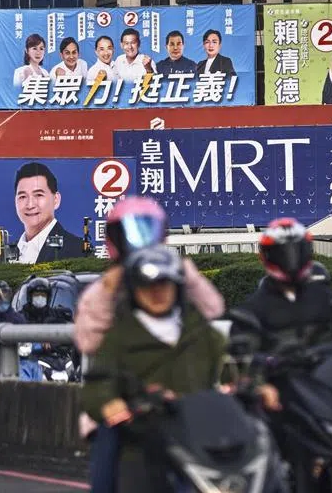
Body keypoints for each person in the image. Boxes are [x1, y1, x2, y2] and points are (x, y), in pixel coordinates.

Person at [74, 196, 225, 493]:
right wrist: (108, 289)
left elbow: (213, 312)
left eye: (164, 286)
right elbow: (88, 341)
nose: (157, 293)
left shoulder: (175, 277)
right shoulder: (109, 290)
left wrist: (184, 273)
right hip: (128, 404)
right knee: (108, 462)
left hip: (184, 406)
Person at [229, 218, 332, 350]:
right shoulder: (250, 314)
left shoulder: (331, 301)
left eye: (298, 251)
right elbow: (241, 353)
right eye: (282, 253)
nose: (291, 260)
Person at [11, 161, 82, 264]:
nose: (30, 205)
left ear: (56, 200)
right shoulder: (9, 251)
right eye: (22, 196)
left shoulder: (77, 250)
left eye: (38, 195)